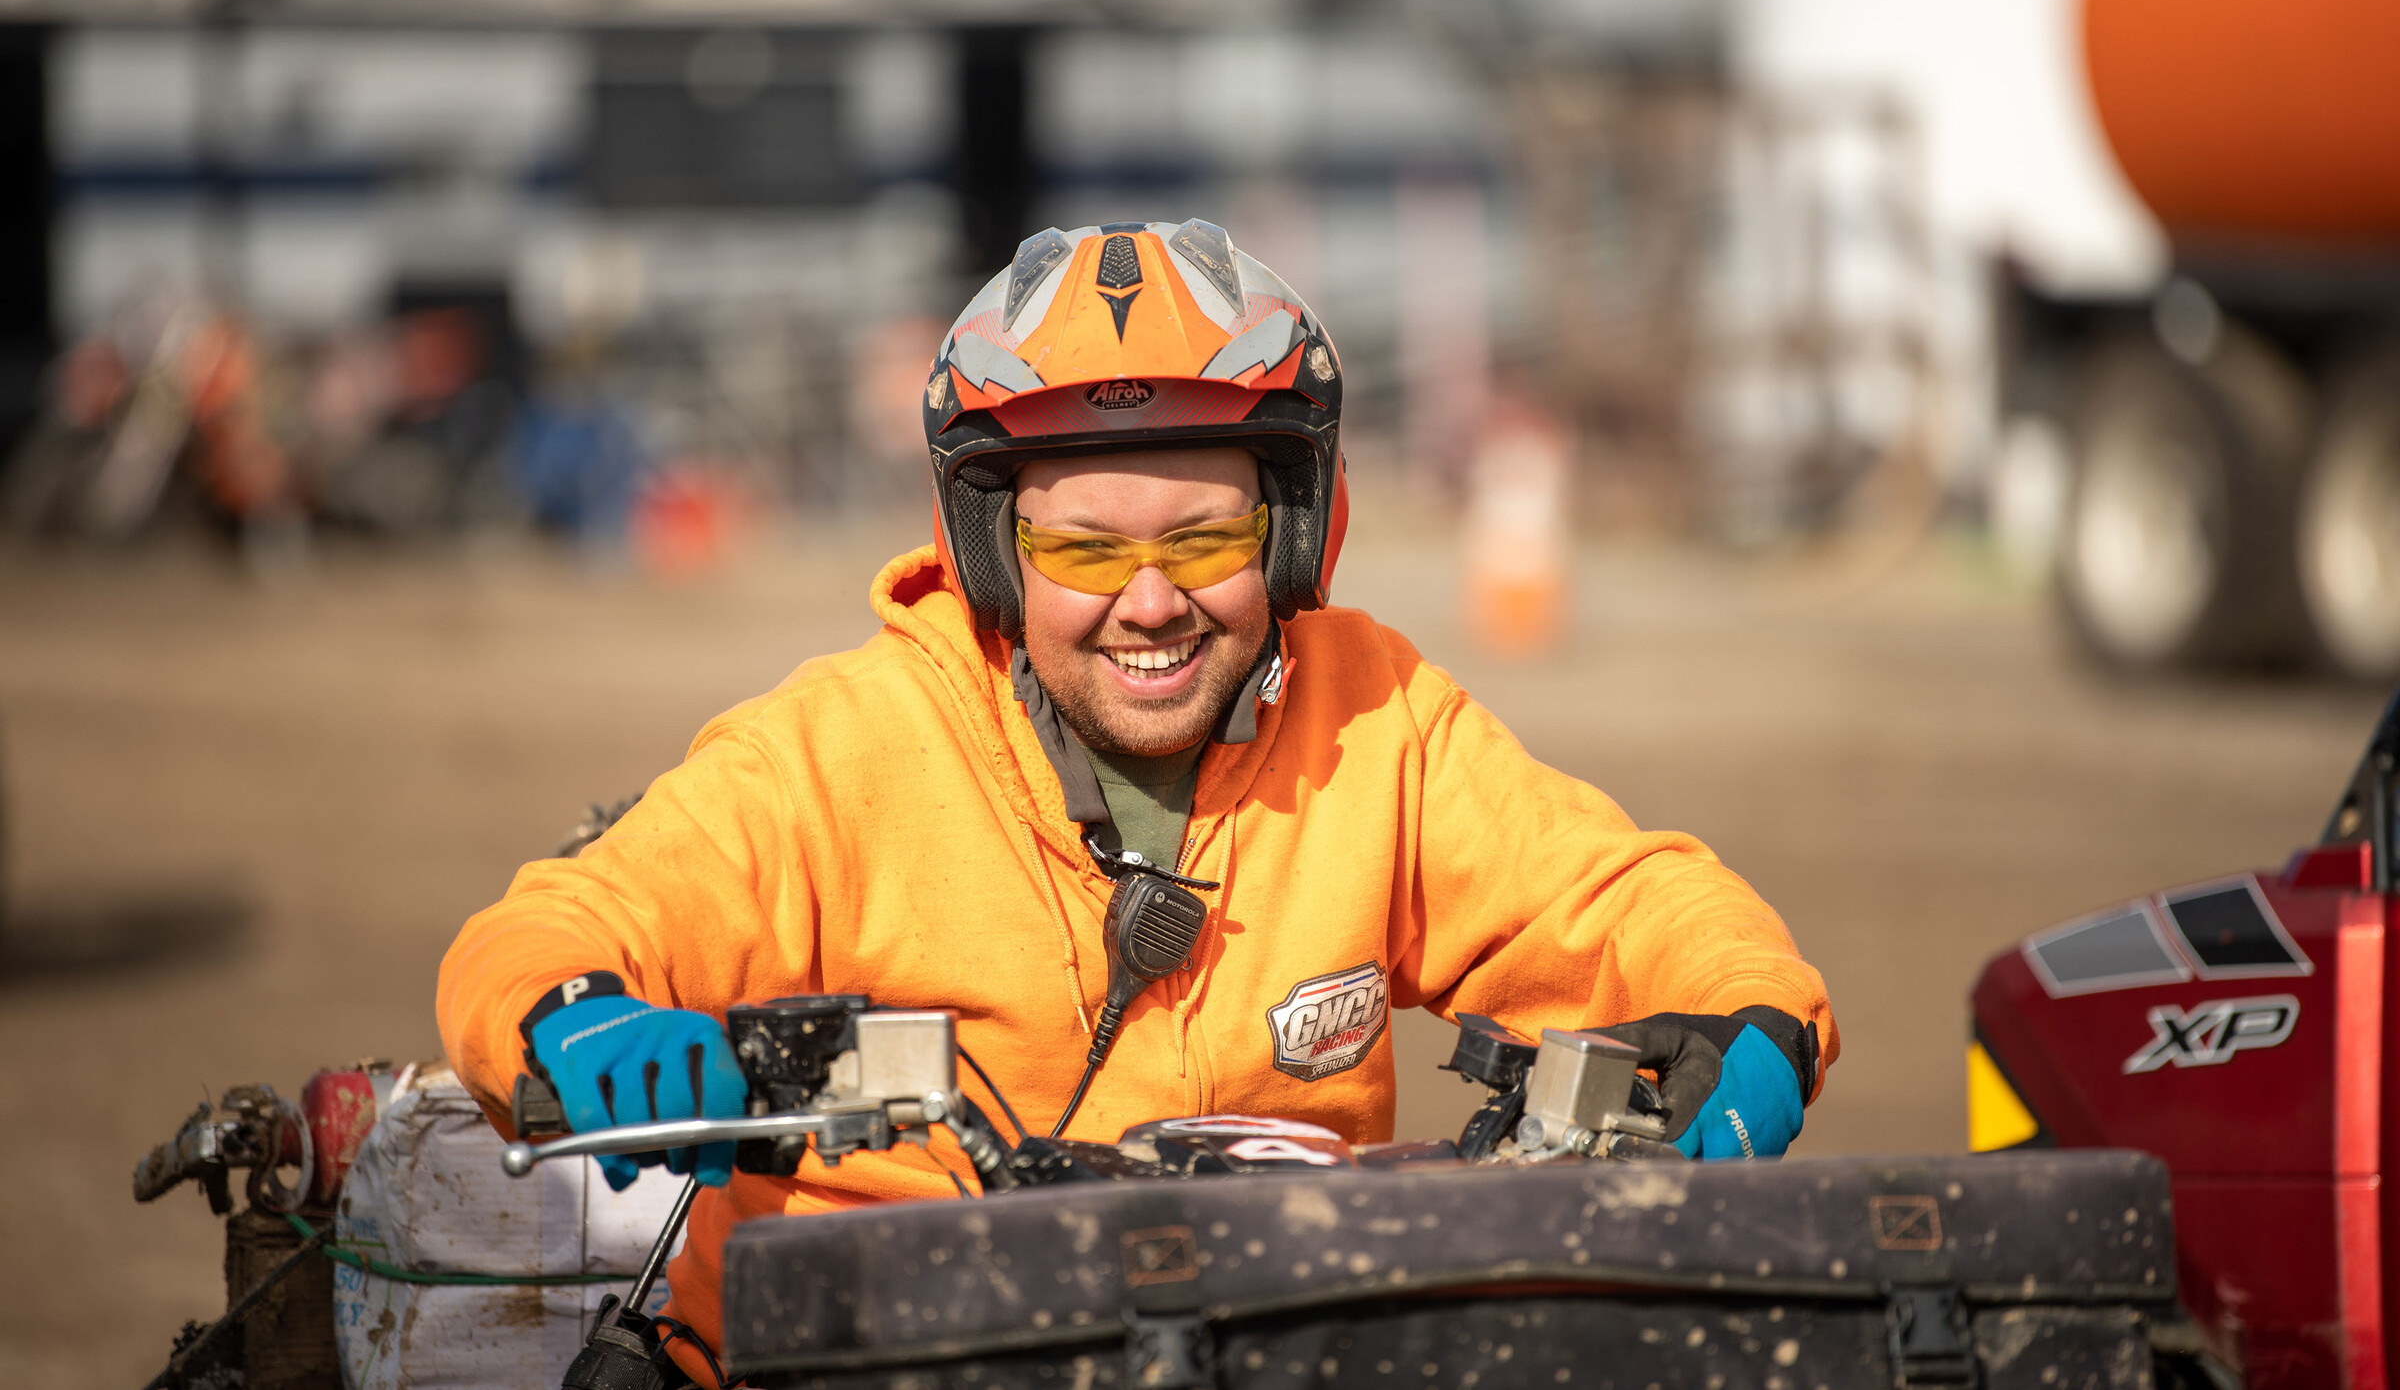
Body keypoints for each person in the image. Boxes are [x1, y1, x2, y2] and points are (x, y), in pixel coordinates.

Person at [437, 219, 1837, 1377]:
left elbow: (1625, 900)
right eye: (1085, 551)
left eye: (1207, 536)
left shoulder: (1378, 720)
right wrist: (583, 1018)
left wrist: (1752, 1016)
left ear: (1296, 534)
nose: (1152, 602)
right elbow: (548, 932)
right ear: (992, 553)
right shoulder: (834, 750)